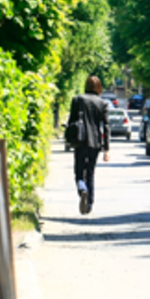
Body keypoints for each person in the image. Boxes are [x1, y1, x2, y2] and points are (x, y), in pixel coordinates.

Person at [67, 76, 111, 214]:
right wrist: (106, 149)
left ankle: (82, 190)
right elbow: (106, 126)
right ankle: (90, 204)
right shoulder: (102, 103)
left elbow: (71, 122)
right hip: (95, 142)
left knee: (79, 171)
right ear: (99, 87)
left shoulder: (77, 100)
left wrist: (69, 140)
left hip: (80, 141)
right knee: (90, 173)